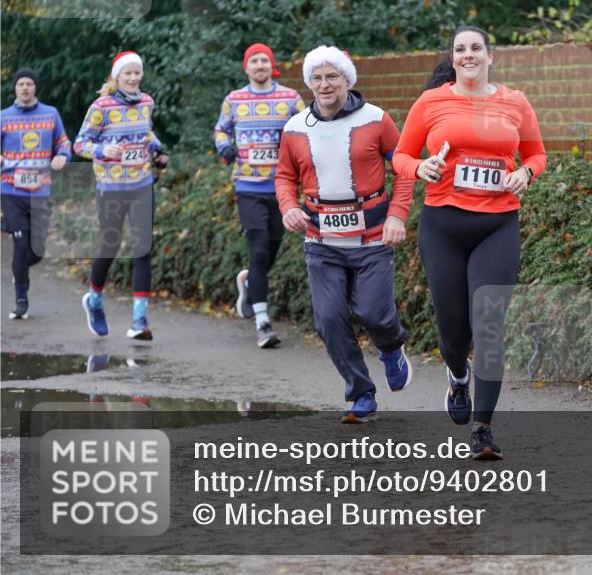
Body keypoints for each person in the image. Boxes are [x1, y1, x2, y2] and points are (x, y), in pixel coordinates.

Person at [393, 25, 547, 460]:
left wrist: (525, 173)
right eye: (460, 49)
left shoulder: (515, 103)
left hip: (497, 225)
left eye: (476, 48)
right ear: (454, 58)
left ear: (489, 56)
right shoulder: (432, 101)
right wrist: (420, 169)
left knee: (491, 326)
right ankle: (457, 374)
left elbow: (537, 154)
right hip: (443, 226)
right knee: (454, 330)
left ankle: (483, 428)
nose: (468, 55)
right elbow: (401, 156)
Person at [275, 45, 415, 423]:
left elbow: (403, 168)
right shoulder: (294, 128)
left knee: (374, 313)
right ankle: (361, 393)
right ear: (309, 83)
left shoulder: (377, 120)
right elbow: (285, 176)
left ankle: (390, 347)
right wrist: (288, 207)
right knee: (328, 319)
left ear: (347, 80)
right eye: (317, 78)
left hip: (372, 236)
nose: (325, 84)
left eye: (332, 76)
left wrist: (397, 215)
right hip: (321, 240)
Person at [214, 43, 305, 348]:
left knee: (272, 250)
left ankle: (251, 283)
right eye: (254, 61)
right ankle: (263, 323)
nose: (259, 65)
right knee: (259, 249)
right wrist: (224, 147)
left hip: (281, 187)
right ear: (246, 67)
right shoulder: (234, 99)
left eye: (264, 60)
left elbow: (307, 129)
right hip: (248, 187)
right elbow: (220, 130)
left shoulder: (290, 99)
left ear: (271, 65)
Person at [74, 51, 168, 340]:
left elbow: (146, 133)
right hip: (111, 187)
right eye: (127, 73)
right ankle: (94, 300)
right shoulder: (101, 107)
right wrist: (103, 151)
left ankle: (140, 321)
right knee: (110, 247)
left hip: (141, 183)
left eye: (137, 73)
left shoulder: (147, 102)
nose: (133, 78)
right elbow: (80, 144)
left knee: (143, 248)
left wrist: (158, 150)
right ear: (116, 77)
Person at [1, 68, 71, 319]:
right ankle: (21, 298)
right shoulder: (3, 117)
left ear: (35, 88)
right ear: (15, 88)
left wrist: (62, 155)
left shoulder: (50, 114)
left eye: (30, 83)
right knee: (20, 244)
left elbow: (63, 142)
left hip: (40, 190)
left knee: (37, 251)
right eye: (21, 84)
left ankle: (19, 272)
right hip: (11, 189)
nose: (25, 88)